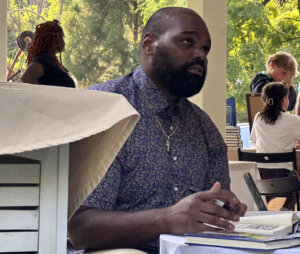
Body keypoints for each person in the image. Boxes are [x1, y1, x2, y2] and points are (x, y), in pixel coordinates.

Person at [68, 7, 247, 254]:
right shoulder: (106, 110)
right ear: (150, 44)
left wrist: (222, 210)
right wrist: (168, 218)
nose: (200, 55)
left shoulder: (205, 128)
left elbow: (212, 217)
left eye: (205, 49)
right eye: (187, 41)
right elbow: (78, 229)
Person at [250, 82, 300, 209]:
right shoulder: (294, 121)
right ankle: (287, 212)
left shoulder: (258, 117)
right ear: (284, 100)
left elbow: (255, 140)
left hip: (261, 179)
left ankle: (278, 212)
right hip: (285, 180)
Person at [21, 19, 76, 88]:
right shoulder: (43, 59)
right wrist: (43, 95)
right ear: (56, 40)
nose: (64, 41)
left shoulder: (51, 60)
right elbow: (26, 78)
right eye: (63, 37)